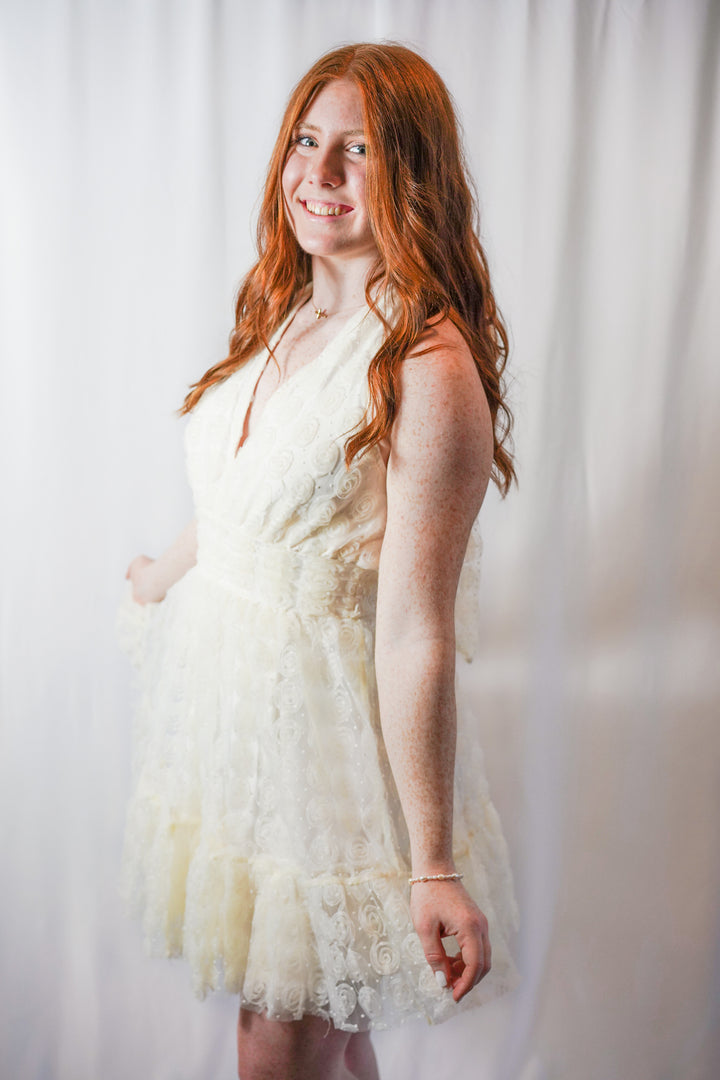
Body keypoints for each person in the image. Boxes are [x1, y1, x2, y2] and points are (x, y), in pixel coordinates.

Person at [119, 42, 520, 1080]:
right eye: (307, 141)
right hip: (235, 719)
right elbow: (257, 501)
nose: (317, 174)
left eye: (359, 152)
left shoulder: (427, 370)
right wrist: (165, 572)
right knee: (328, 1026)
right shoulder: (292, 304)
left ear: (413, 176)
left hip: (324, 751)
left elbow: (416, 629)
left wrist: (430, 864)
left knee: (281, 1035)